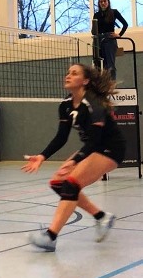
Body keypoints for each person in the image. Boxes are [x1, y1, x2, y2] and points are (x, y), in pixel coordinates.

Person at [22, 63, 125, 252]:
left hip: (110, 148)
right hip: (92, 148)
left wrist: (75, 161)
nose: (68, 75)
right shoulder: (66, 104)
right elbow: (61, 137)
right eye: (68, 72)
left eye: (74, 73)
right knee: (58, 183)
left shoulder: (94, 104)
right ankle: (102, 217)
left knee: (71, 184)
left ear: (85, 81)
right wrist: (43, 156)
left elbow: (95, 141)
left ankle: (50, 237)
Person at [92, 0, 128, 80]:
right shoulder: (96, 15)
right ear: (99, 4)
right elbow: (93, 30)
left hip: (109, 39)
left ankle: (111, 84)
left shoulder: (114, 12)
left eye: (105, 1)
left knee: (110, 65)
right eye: (101, 2)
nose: (103, 3)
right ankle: (101, 84)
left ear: (108, 2)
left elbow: (125, 24)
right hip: (98, 40)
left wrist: (119, 35)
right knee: (98, 64)